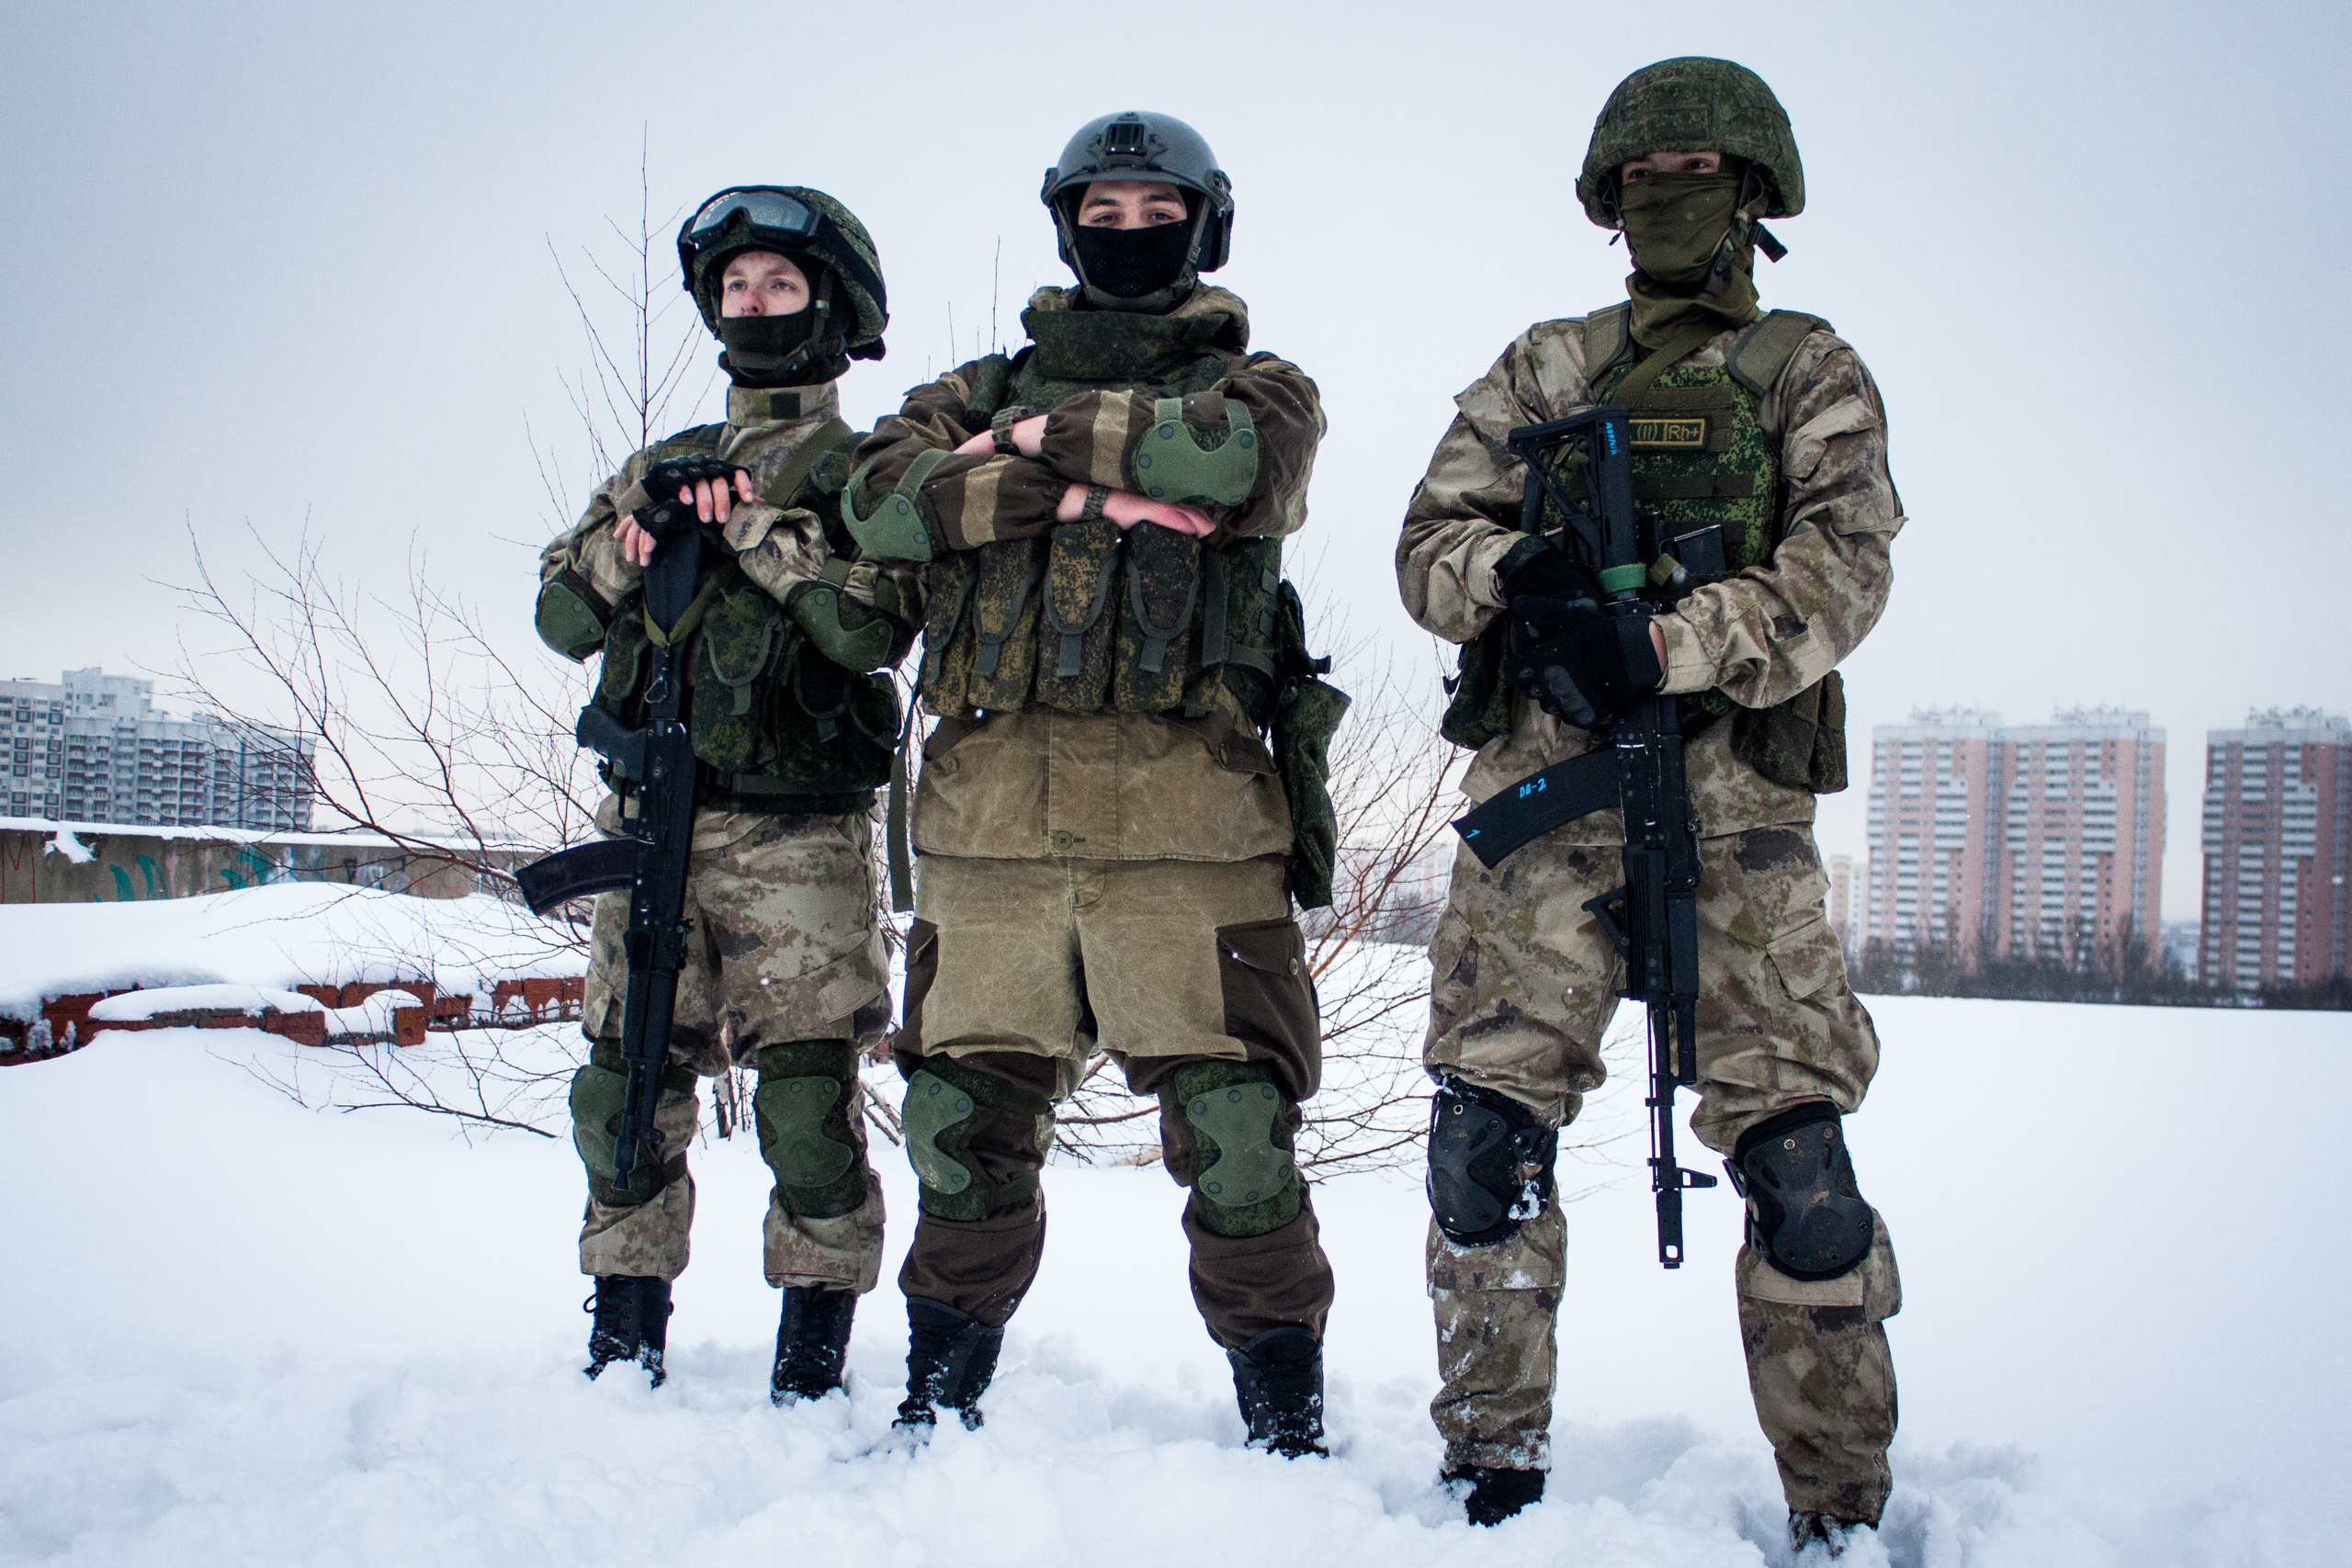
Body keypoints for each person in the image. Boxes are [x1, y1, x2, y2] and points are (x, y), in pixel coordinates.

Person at [1395, 59, 1905, 1552]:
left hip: (1738, 813)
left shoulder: (1807, 370)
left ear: (1752, 191)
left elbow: (1844, 568)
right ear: (1607, 200)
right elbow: (1428, 545)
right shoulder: (1547, 367)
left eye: (1695, 171)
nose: (1665, 196)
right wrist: (1522, 580)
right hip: (1544, 810)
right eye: (1641, 175)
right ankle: (1491, 1476)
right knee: (1483, 1147)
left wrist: (1672, 641)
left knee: (1801, 1173)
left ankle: (1840, 1511)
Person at [842, 111, 1342, 1455]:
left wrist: (1018, 451)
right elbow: (879, 503)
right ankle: (938, 1405)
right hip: (991, 839)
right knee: (958, 1129)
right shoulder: (964, 386)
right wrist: (1088, 496)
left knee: (1239, 1137)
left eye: (1157, 212)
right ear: (1067, 228)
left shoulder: (1262, 387)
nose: (1130, 234)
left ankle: (1287, 1427)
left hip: (1191, 837)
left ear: (1204, 226)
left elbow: (1234, 465)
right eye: (1103, 213)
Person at [534, 185, 918, 1402]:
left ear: (833, 307)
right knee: (624, 1086)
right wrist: (631, 541)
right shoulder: (656, 466)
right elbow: (559, 618)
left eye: (781, 285)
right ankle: (622, 1343)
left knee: (806, 1105)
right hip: (648, 822)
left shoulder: (863, 468)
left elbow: (870, 629)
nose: (755, 304)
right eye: (737, 285)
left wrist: (754, 529)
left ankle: (811, 1363)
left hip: (795, 839)